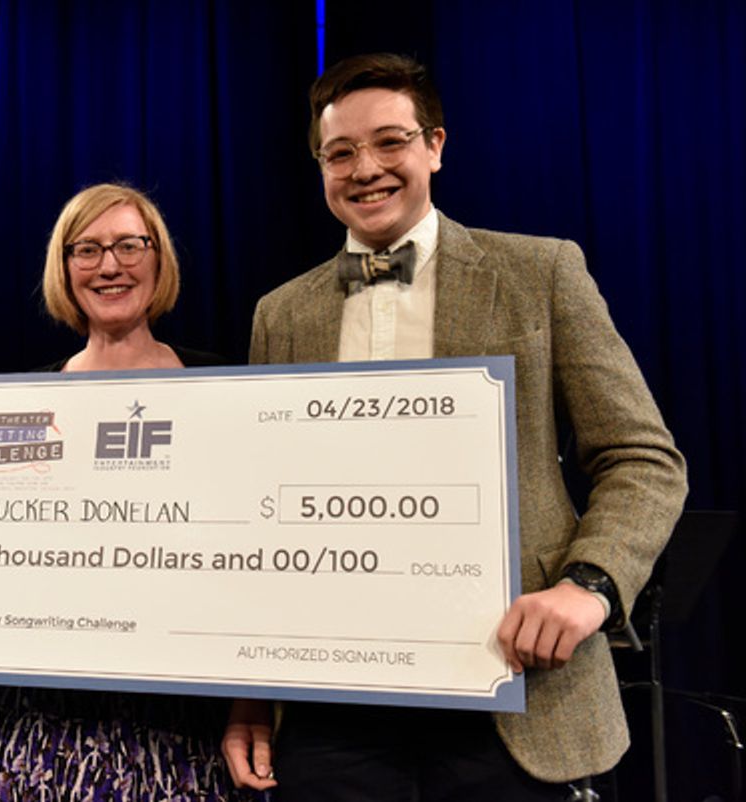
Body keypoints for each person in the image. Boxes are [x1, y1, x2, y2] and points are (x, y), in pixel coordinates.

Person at [221, 53, 687, 800]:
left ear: (435, 145)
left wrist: (589, 585)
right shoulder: (281, 314)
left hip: (515, 697)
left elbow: (642, 457)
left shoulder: (541, 273)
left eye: (390, 141)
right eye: (339, 153)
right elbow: (263, 512)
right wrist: (250, 693)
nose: (364, 167)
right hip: (333, 708)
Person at [0, 183, 251, 802]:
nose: (110, 265)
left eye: (130, 245)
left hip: (176, 733)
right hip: (29, 736)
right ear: (64, 268)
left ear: (159, 260)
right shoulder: (20, 404)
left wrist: (250, 703)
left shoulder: (227, 391)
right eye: (87, 249)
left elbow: (251, 564)